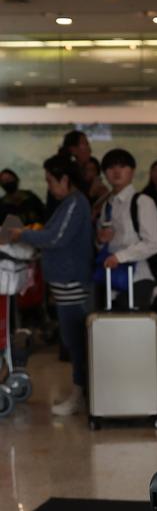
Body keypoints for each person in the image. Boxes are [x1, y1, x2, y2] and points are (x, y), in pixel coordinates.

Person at [8, 155, 93, 415]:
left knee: (77, 344)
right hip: (64, 283)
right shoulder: (67, 202)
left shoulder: (75, 203)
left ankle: (79, 395)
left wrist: (22, 234)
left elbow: (55, 237)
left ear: (64, 179)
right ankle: (82, 394)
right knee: (73, 341)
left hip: (72, 283)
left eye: (49, 180)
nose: (48, 186)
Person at [97, 148, 157, 310]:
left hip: (137, 279)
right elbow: (103, 244)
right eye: (111, 167)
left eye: (122, 166)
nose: (117, 171)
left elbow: (153, 243)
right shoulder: (107, 205)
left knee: (133, 331)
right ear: (105, 173)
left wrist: (119, 257)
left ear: (132, 171)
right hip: (112, 278)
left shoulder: (143, 201)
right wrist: (100, 240)